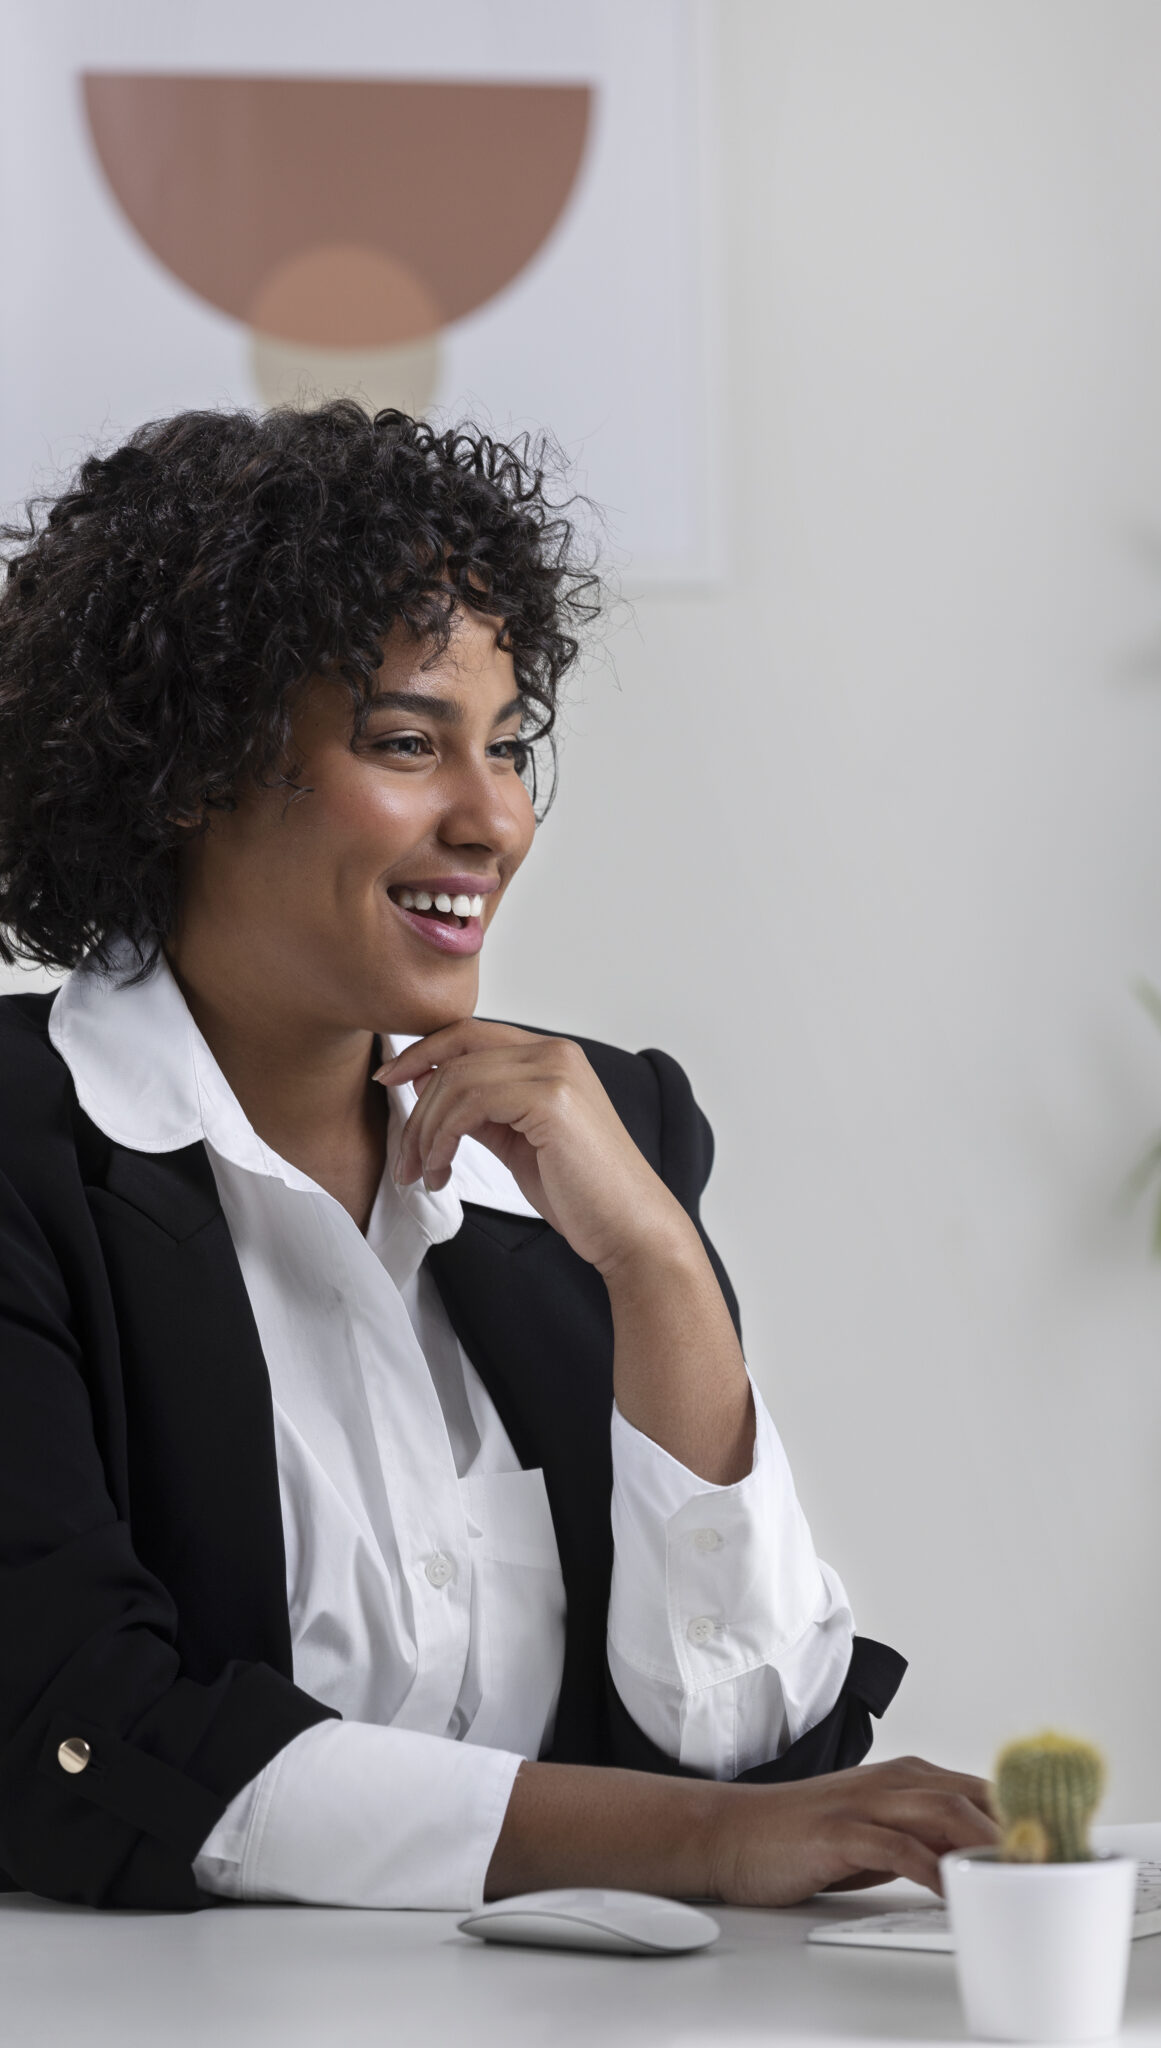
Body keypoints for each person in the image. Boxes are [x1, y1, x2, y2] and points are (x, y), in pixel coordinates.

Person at [0, 402, 996, 1913]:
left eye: (509, 747)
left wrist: (659, 1270)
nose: (495, 818)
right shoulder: (28, 1160)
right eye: (409, 744)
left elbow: (751, 1740)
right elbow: (83, 1739)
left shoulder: (598, 1136)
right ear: (186, 770)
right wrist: (696, 1846)